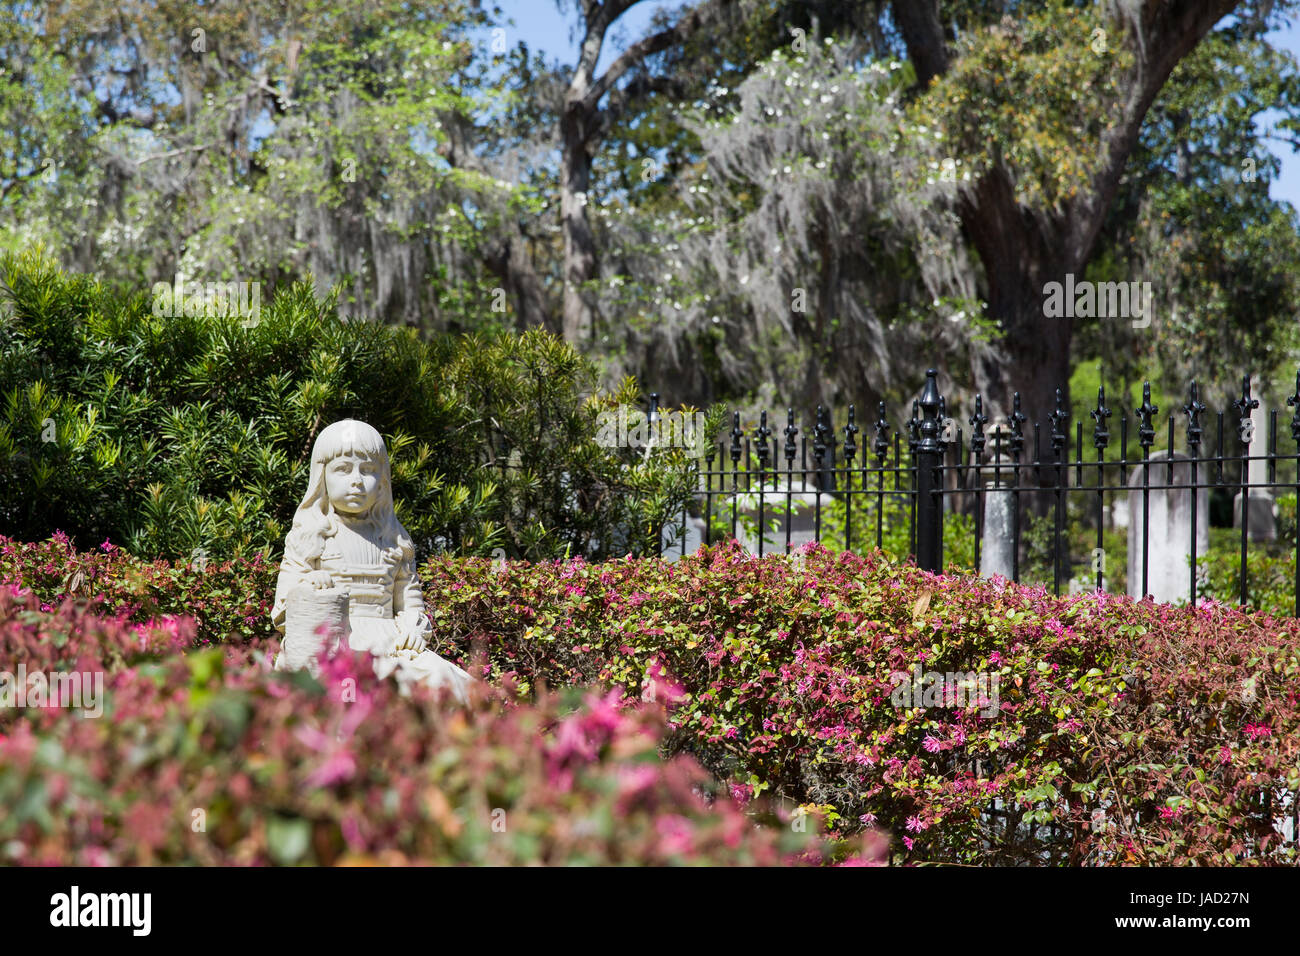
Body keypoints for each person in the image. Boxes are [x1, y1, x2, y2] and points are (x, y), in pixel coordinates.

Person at [271, 418, 472, 703]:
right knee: (349, 693)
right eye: (343, 469)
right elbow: (284, 607)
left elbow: (409, 597)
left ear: (382, 481)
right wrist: (309, 586)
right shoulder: (309, 534)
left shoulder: (393, 536)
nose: (356, 480)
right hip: (335, 642)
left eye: (367, 470)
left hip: (390, 642)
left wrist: (414, 627)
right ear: (322, 476)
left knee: (449, 683)